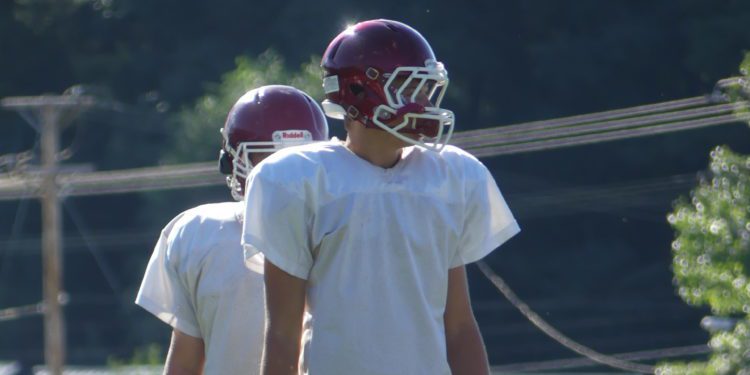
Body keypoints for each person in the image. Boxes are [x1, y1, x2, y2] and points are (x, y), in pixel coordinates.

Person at [242, 19, 520, 375]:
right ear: (359, 91)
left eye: (426, 89)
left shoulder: (448, 176)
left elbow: (460, 327)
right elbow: (282, 334)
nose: (423, 102)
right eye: (409, 87)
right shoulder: (296, 179)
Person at [135, 85, 329, 374]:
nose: (282, 176)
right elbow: (186, 360)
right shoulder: (200, 233)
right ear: (235, 162)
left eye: (296, 161)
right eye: (268, 161)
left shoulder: (345, 230)